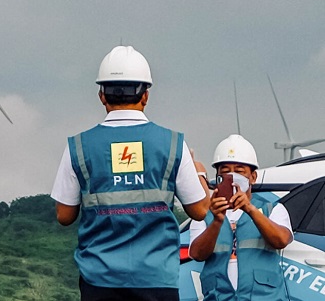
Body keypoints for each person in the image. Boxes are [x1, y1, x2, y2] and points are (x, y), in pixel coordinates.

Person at [51, 45, 209, 301]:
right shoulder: (172, 144)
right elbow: (200, 210)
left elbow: (64, 215)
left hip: (99, 281)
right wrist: (199, 174)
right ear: (145, 94)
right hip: (157, 279)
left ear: (102, 95)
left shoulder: (78, 146)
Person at [188, 134, 293, 300]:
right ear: (218, 177)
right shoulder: (205, 214)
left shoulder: (272, 209)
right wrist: (216, 222)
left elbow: (281, 240)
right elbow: (197, 254)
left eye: (239, 171)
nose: (232, 175)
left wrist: (250, 209)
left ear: (253, 177)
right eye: (225, 171)